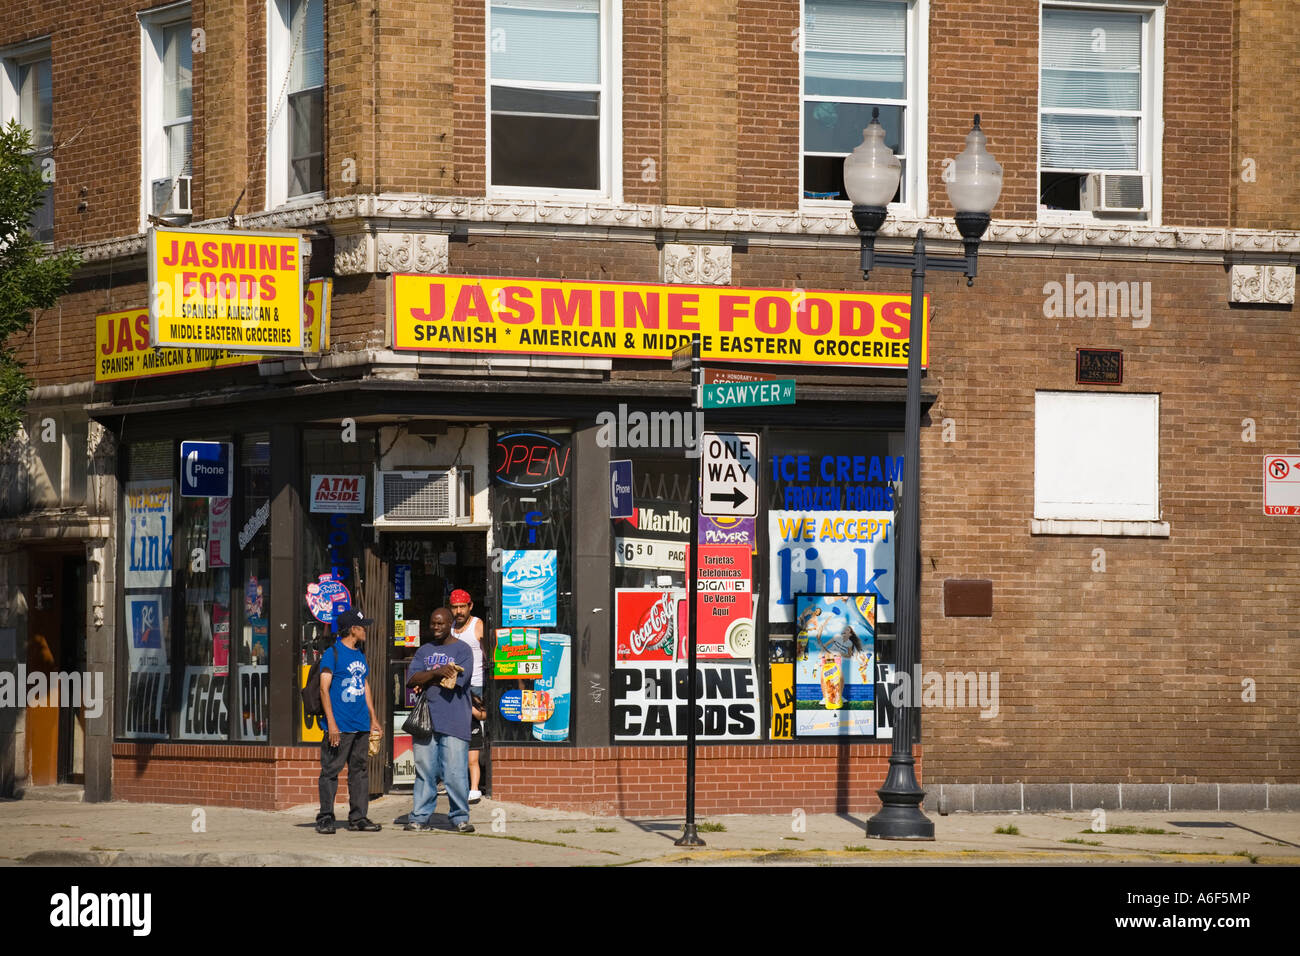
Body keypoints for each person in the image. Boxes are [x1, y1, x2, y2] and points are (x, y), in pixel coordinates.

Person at [405, 607, 475, 833]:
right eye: (432, 623)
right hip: (426, 720)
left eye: (440, 624)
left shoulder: (463, 650)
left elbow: (455, 682)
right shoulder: (424, 650)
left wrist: (426, 679)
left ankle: (459, 817)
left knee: (455, 773)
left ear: (450, 624)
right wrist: (437, 673)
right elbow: (411, 679)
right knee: (425, 772)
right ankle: (420, 817)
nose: (435, 627)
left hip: (455, 721)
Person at [317, 608, 383, 834]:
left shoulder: (359, 654)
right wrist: (332, 724)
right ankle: (325, 817)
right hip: (340, 726)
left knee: (360, 771)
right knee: (330, 772)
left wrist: (373, 718)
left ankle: (358, 818)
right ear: (353, 629)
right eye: (363, 627)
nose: (366, 631)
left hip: (361, 724)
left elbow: (365, 686)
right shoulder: (332, 653)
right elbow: (324, 689)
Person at [449, 588, 487, 802]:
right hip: (455, 686)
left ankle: (477, 782)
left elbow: (490, 651)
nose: (459, 611)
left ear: (470, 606)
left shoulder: (477, 625)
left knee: (477, 729)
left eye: (462, 606)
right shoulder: (451, 628)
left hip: (476, 686)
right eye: (455, 607)